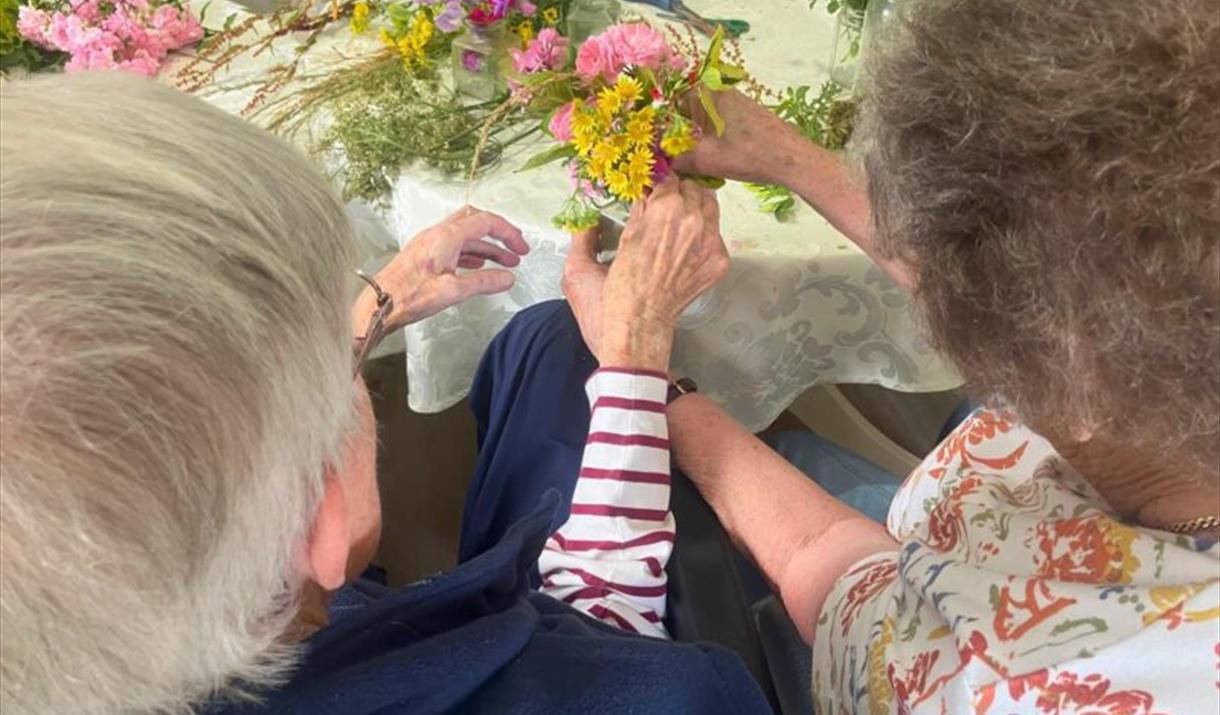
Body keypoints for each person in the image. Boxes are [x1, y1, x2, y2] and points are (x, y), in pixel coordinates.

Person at [0, 72, 770, 714]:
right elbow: (603, 645)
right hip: (570, 636)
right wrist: (636, 361)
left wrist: (369, 308)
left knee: (543, 340)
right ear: (324, 520)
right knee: (571, 350)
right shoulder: (658, 694)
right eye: (340, 381)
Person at [575, 0, 1218, 712]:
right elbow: (1035, 266)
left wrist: (640, 371)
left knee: (768, 470)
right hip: (984, 510)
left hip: (890, 615)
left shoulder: (1022, 681)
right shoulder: (1164, 357)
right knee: (798, 447)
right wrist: (781, 154)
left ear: (1078, 372)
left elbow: (822, 554)